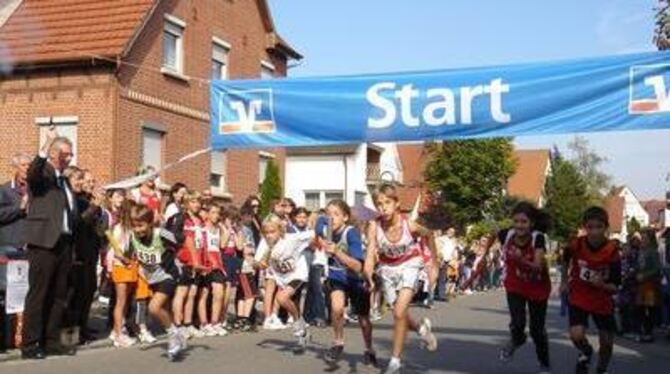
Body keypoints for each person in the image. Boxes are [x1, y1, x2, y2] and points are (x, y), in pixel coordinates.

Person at [363, 185, 438, 374]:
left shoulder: (409, 225)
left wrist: (433, 264)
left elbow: (429, 235)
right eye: (379, 204)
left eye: (387, 203)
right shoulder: (374, 226)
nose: (383, 208)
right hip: (387, 269)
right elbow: (371, 253)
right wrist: (368, 275)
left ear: (397, 204)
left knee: (398, 312)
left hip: (410, 265)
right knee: (401, 314)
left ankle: (395, 362)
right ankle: (421, 329)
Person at [21, 127, 77, 359]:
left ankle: (52, 340)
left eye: (71, 155)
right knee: (39, 294)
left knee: (58, 295)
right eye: (66, 154)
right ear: (54, 154)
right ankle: (31, 344)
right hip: (43, 242)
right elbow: (32, 172)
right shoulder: (42, 175)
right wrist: (46, 145)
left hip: (63, 242)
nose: (69, 158)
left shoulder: (64, 181)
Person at [317, 200, 377, 367]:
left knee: (363, 320)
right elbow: (316, 230)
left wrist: (336, 252)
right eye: (328, 214)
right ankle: (338, 343)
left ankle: (369, 348)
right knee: (336, 309)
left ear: (345, 217)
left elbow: (358, 266)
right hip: (337, 278)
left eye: (336, 214)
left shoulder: (351, 233)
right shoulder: (327, 232)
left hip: (356, 279)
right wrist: (319, 224)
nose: (331, 218)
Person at [561, 207, 621, 374]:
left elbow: (615, 287)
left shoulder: (612, 251)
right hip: (579, 296)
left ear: (606, 227)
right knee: (576, 335)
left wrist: (601, 284)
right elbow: (565, 259)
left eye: (599, 227)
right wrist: (564, 281)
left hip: (602, 300)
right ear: (584, 227)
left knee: (607, 342)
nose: (594, 232)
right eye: (590, 227)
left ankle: (601, 370)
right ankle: (586, 350)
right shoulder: (576, 244)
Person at [497, 202, 552, 373]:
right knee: (518, 322)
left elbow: (537, 266)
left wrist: (521, 259)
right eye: (516, 221)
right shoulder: (506, 234)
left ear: (532, 223)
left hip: (537, 287)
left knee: (537, 331)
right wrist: (484, 256)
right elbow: (494, 234)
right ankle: (516, 341)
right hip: (515, 285)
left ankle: (544, 364)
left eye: (524, 222)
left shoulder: (538, 238)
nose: (519, 225)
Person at [127, 203, 186, 360]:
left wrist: (176, 226)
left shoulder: (160, 234)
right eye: (134, 226)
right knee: (163, 311)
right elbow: (129, 255)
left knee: (154, 308)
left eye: (141, 225)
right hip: (152, 279)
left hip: (168, 275)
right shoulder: (132, 237)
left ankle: (173, 336)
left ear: (150, 223)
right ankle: (178, 335)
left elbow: (180, 240)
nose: (138, 229)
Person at [256, 217, 313, 352]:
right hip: (282, 278)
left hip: (298, 274)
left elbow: (313, 234)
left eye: (272, 232)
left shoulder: (291, 239)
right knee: (293, 303)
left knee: (281, 298)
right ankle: (302, 331)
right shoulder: (264, 243)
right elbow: (258, 263)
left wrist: (319, 240)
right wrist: (260, 263)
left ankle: (298, 322)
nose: (269, 235)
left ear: (280, 231)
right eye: (266, 232)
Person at [69, 168, 105, 345]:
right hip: (78, 253)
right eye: (87, 181)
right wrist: (94, 206)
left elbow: (97, 227)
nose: (90, 184)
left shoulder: (90, 201)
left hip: (91, 252)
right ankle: (73, 333)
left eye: (92, 181)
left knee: (89, 292)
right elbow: (80, 223)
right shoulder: (77, 200)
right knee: (77, 295)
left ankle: (83, 326)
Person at [106, 198, 140, 348]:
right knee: (120, 301)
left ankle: (116, 330)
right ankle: (119, 335)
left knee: (126, 300)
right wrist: (125, 259)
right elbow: (116, 251)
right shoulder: (119, 228)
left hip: (131, 266)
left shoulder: (132, 229)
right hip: (121, 266)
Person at [173, 191, 205, 339]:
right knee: (182, 292)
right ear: (186, 204)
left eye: (198, 202)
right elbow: (173, 236)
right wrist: (184, 242)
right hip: (184, 259)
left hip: (197, 260)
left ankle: (188, 323)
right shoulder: (180, 218)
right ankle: (178, 325)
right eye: (193, 202)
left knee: (192, 293)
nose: (196, 205)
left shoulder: (200, 219)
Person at [198, 204, 229, 337]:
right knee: (204, 294)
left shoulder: (218, 229)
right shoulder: (202, 228)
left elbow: (223, 245)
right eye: (213, 212)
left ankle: (215, 322)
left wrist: (223, 228)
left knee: (219, 293)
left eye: (218, 213)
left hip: (217, 262)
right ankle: (204, 323)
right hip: (205, 261)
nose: (216, 216)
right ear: (208, 214)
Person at [635, 228, 662, 343]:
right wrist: (636, 273)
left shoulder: (653, 251)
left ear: (650, 240)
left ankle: (649, 333)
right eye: (642, 238)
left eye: (645, 238)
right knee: (640, 307)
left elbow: (657, 268)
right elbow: (638, 265)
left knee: (649, 308)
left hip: (650, 284)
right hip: (641, 284)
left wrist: (644, 275)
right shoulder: (641, 251)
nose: (643, 240)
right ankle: (643, 330)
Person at [302, 209, 328, 327]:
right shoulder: (309, 232)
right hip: (312, 263)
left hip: (320, 263)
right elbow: (311, 246)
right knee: (312, 291)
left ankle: (318, 316)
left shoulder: (323, 231)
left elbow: (324, 244)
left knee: (317, 290)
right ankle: (309, 316)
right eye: (313, 219)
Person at [236, 205, 259, 331]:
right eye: (249, 216)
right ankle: (244, 319)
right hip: (245, 265)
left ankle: (241, 318)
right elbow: (243, 248)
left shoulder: (249, 229)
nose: (250, 219)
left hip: (247, 263)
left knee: (243, 294)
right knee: (251, 294)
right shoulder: (242, 230)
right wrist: (251, 259)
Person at [0, 153, 31, 250]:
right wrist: (20, 208)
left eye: (29, 165)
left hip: (33, 244)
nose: (27, 168)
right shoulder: (5, 189)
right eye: (23, 165)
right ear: (15, 168)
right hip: (11, 244)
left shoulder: (37, 189)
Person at [618, 233, 640, 338]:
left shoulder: (633, 260)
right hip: (622, 288)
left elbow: (634, 271)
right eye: (623, 249)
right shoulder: (622, 260)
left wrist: (626, 276)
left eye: (626, 249)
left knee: (630, 309)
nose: (624, 251)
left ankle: (632, 329)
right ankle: (624, 328)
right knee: (623, 309)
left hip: (630, 287)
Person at [434, 227, 458, 301]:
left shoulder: (454, 241)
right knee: (434, 277)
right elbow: (437, 249)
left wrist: (454, 260)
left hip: (447, 261)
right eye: (450, 231)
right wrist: (440, 258)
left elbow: (454, 252)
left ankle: (441, 295)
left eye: (453, 232)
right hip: (439, 260)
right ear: (447, 231)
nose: (451, 233)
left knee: (443, 278)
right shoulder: (440, 239)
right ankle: (428, 295)